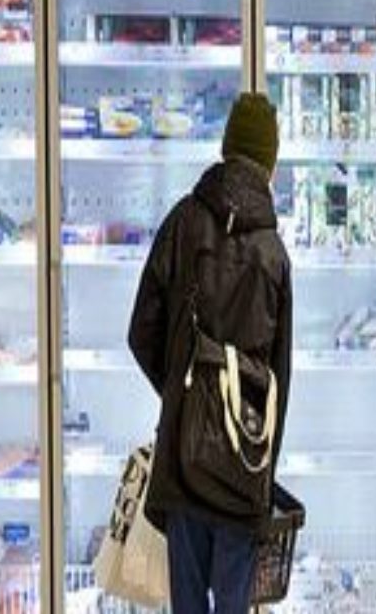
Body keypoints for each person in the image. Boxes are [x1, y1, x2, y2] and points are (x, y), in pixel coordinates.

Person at [128, 93, 293, 614]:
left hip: (184, 460)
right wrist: (261, 469)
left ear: (225, 149)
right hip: (243, 466)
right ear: (270, 163)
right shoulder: (273, 254)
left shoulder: (182, 222)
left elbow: (141, 331)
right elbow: (280, 379)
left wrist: (184, 394)